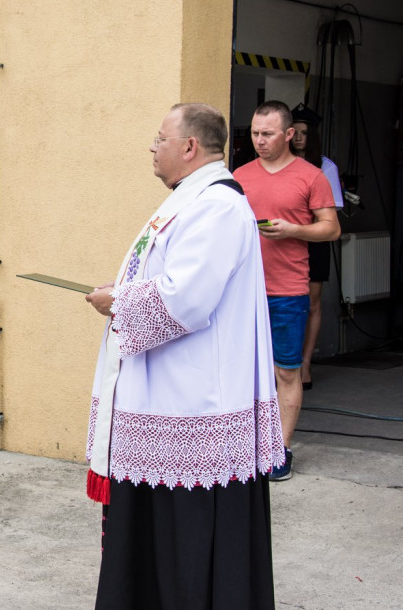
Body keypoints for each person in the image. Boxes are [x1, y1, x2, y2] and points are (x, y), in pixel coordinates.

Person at [85, 103, 283, 609]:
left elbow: (186, 297)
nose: (153, 148)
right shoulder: (188, 200)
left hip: (194, 405)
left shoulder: (216, 205)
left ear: (190, 147)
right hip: (169, 398)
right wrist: (126, 288)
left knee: (187, 540)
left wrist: (120, 301)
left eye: (160, 138)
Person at [234, 100, 340, 480]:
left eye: (267, 134)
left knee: (286, 372)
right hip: (243, 291)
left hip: (287, 290)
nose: (259, 140)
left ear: (289, 134)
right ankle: (244, 446)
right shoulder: (240, 175)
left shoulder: (312, 176)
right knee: (241, 372)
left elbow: (331, 228)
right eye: (254, 133)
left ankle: (280, 450)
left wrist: (294, 230)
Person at [289, 103, 344, 389]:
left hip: (313, 240)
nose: (298, 138)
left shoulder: (324, 166)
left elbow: (331, 212)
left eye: (304, 133)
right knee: (285, 303)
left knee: (311, 303)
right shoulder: (278, 164)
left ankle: (305, 363)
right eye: (294, 132)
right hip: (283, 241)